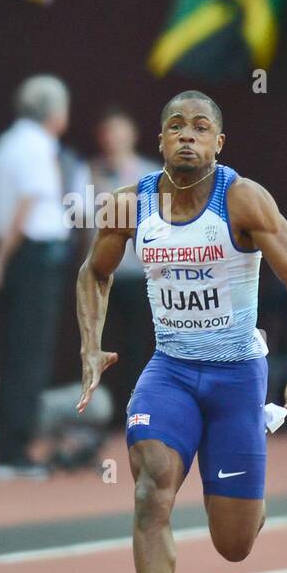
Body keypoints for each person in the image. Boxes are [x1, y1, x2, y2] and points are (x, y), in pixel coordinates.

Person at [76, 91, 287, 573]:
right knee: (149, 487)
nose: (188, 135)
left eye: (201, 127)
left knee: (233, 544)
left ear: (219, 143)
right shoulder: (128, 205)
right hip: (171, 372)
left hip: (238, 376)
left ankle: (247, 471)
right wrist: (90, 344)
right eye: (176, 127)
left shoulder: (242, 199)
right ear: (159, 142)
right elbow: (94, 273)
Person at [0, 75, 74, 479]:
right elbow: (26, 204)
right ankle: (15, 452)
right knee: (29, 356)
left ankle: (9, 446)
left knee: (15, 351)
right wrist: (3, 256)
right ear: (54, 112)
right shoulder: (38, 146)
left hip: (13, 256)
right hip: (33, 257)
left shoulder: (4, 143)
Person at [79, 107, 158, 408]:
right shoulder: (88, 173)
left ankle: (140, 403)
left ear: (132, 136)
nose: (115, 138)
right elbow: (80, 221)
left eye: (121, 132)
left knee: (139, 343)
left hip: (141, 273)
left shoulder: (151, 174)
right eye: (109, 132)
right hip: (103, 273)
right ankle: (100, 407)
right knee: (98, 341)